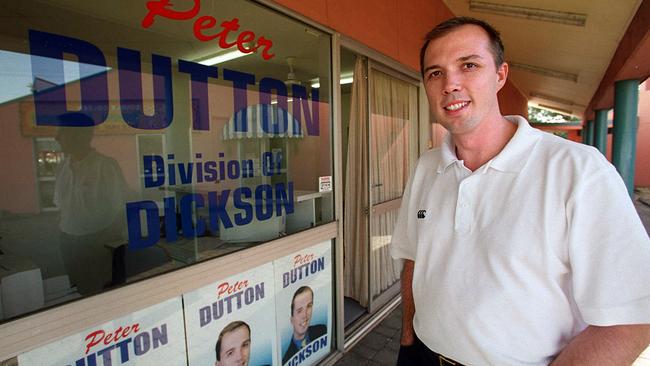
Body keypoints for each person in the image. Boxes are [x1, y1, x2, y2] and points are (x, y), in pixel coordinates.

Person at [391, 16, 650, 366]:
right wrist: (408, 340)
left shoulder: (578, 170)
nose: (450, 83)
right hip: (422, 356)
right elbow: (413, 259)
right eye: (435, 72)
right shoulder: (426, 167)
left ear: (500, 75)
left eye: (468, 65)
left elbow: (629, 319)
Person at [54, 112, 128, 295]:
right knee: (79, 292)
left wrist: (103, 248)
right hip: (69, 242)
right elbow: (61, 206)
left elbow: (119, 210)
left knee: (104, 294)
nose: (56, 137)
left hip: (97, 245)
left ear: (80, 135)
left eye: (61, 132)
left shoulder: (105, 166)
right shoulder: (63, 167)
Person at [282, 286, 327, 364]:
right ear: (291, 319)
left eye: (309, 306)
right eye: (299, 311)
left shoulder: (322, 330)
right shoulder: (286, 360)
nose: (305, 315)